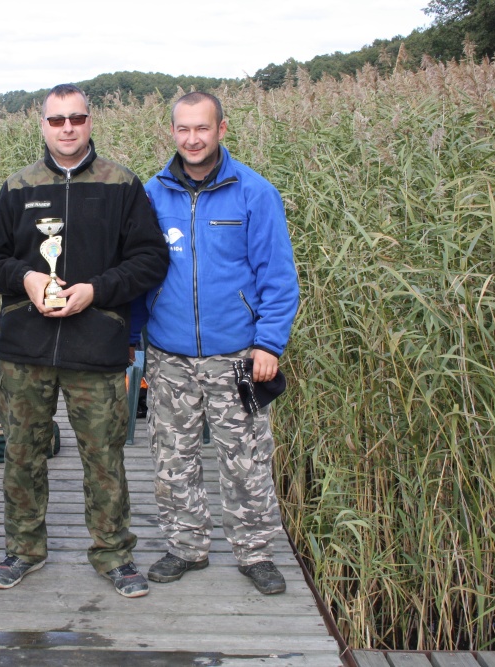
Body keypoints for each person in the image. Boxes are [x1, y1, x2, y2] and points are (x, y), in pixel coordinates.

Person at [0, 84, 169, 598]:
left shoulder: (121, 184)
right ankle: (23, 550)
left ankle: (113, 553)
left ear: (90, 122)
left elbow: (151, 259)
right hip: (25, 350)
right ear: (42, 125)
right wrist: (27, 279)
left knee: (104, 458)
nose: (67, 128)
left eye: (76, 118)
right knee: (21, 455)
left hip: (96, 348)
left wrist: (95, 291)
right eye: (57, 119)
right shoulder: (18, 187)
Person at [141, 92, 300, 595]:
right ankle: (185, 546)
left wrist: (268, 344)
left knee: (246, 459)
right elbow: (139, 274)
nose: (193, 139)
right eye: (183, 129)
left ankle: (255, 552)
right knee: (173, 458)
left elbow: (278, 277)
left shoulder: (254, 192)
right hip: (168, 357)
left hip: (237, 356)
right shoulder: (151, 194)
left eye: (202, 128)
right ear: (172, 132)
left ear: (221, 129)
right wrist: (129, 339)